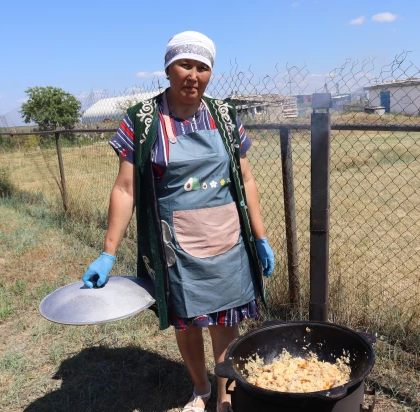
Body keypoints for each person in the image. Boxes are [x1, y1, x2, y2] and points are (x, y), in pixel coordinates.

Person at [81, 31, 275, 412]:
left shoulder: (225, 115)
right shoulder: (142, 120)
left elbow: (246, 178)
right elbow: (125, 189)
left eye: (202, 67)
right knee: (186, 322)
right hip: (176, 245)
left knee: (225, 320)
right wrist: (108, 253)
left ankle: (225, 395)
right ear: (168, 68)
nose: (193, 75)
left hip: (228, 240)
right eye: (186, 65)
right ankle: (200, 389)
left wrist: (260, 236)